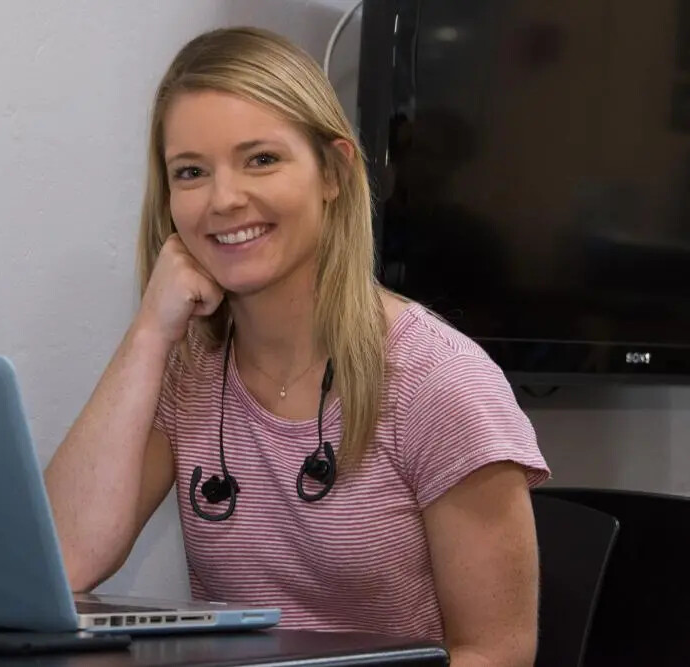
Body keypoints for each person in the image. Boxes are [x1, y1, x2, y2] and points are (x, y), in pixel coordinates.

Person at [45, 26, 550, 666]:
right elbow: (61, 562)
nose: (225, 200)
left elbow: (497, 653)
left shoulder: (440, 381)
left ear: (333, 172)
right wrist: (150, 333)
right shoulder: (186, 369)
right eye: (192, 172)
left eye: (261, 159)